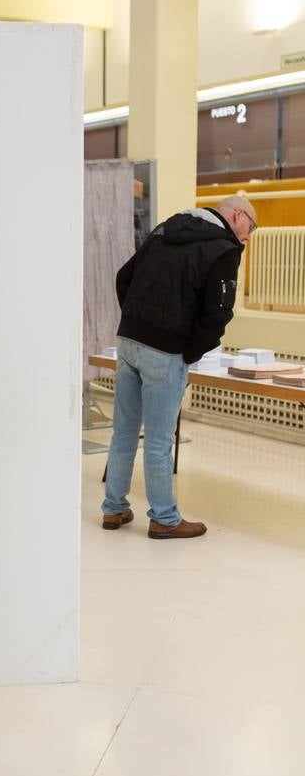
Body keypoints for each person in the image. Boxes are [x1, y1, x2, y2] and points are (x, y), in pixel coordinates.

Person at [101, 195, 256, 539]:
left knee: (124, 432)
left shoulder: (163, 230)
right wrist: (188, 353)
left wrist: (136, 321)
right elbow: (217, 314)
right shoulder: (223, 248)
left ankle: (113, 509)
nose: (248, 236)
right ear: (236, 214)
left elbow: (124, 276)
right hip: (166, 351)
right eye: (251, 227)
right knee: (158, 440)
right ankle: (165, 519)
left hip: (128, 342)